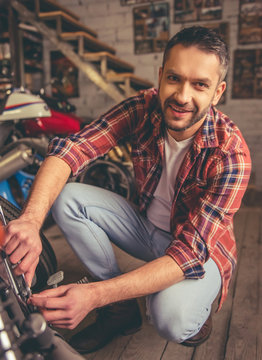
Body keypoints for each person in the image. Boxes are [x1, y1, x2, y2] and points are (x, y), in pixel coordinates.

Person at [3, 26, 251, 353]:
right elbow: (71, 150)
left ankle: (197, 309)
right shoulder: (143, 106)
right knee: (67, 199)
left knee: (171, 318)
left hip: (200, 252)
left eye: (200, 84)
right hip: (148, 227)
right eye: (174, 78)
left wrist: (94, 294)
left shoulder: (232, 155)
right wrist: (31, 221)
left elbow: (188, 253)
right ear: (161, 76)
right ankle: (120, 313)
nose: (182, 96)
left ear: (217, 93)